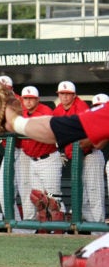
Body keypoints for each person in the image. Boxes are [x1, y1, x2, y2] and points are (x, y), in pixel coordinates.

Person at [52, 81, 105, 225]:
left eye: (68, 94)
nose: (64, 97)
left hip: (90, 156)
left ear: (74, 95)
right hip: (75, 158)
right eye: (62, 94)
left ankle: (98, 229)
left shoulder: (80, 107)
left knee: (94, 193)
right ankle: (89, 229)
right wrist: (61, 150)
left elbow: (91, 139)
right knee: (82, 195)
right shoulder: (58, 111)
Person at [18, 86, 63, 226]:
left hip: (48, 159)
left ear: (37, 99)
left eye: (31, 98)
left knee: (53, 198)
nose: (28, 101)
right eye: (26, 98)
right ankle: (44, 230)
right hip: (32, 160)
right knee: (38, 199)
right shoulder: (21, 113)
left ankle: (61, 231)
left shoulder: (45, 112)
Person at [0, 76, 30, 231]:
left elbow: (19, 126)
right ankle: (19, 230)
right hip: (9, 151)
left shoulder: (20, 102)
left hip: (23, 151)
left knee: (26, 192)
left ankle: (31, 230)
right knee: (4, 193)